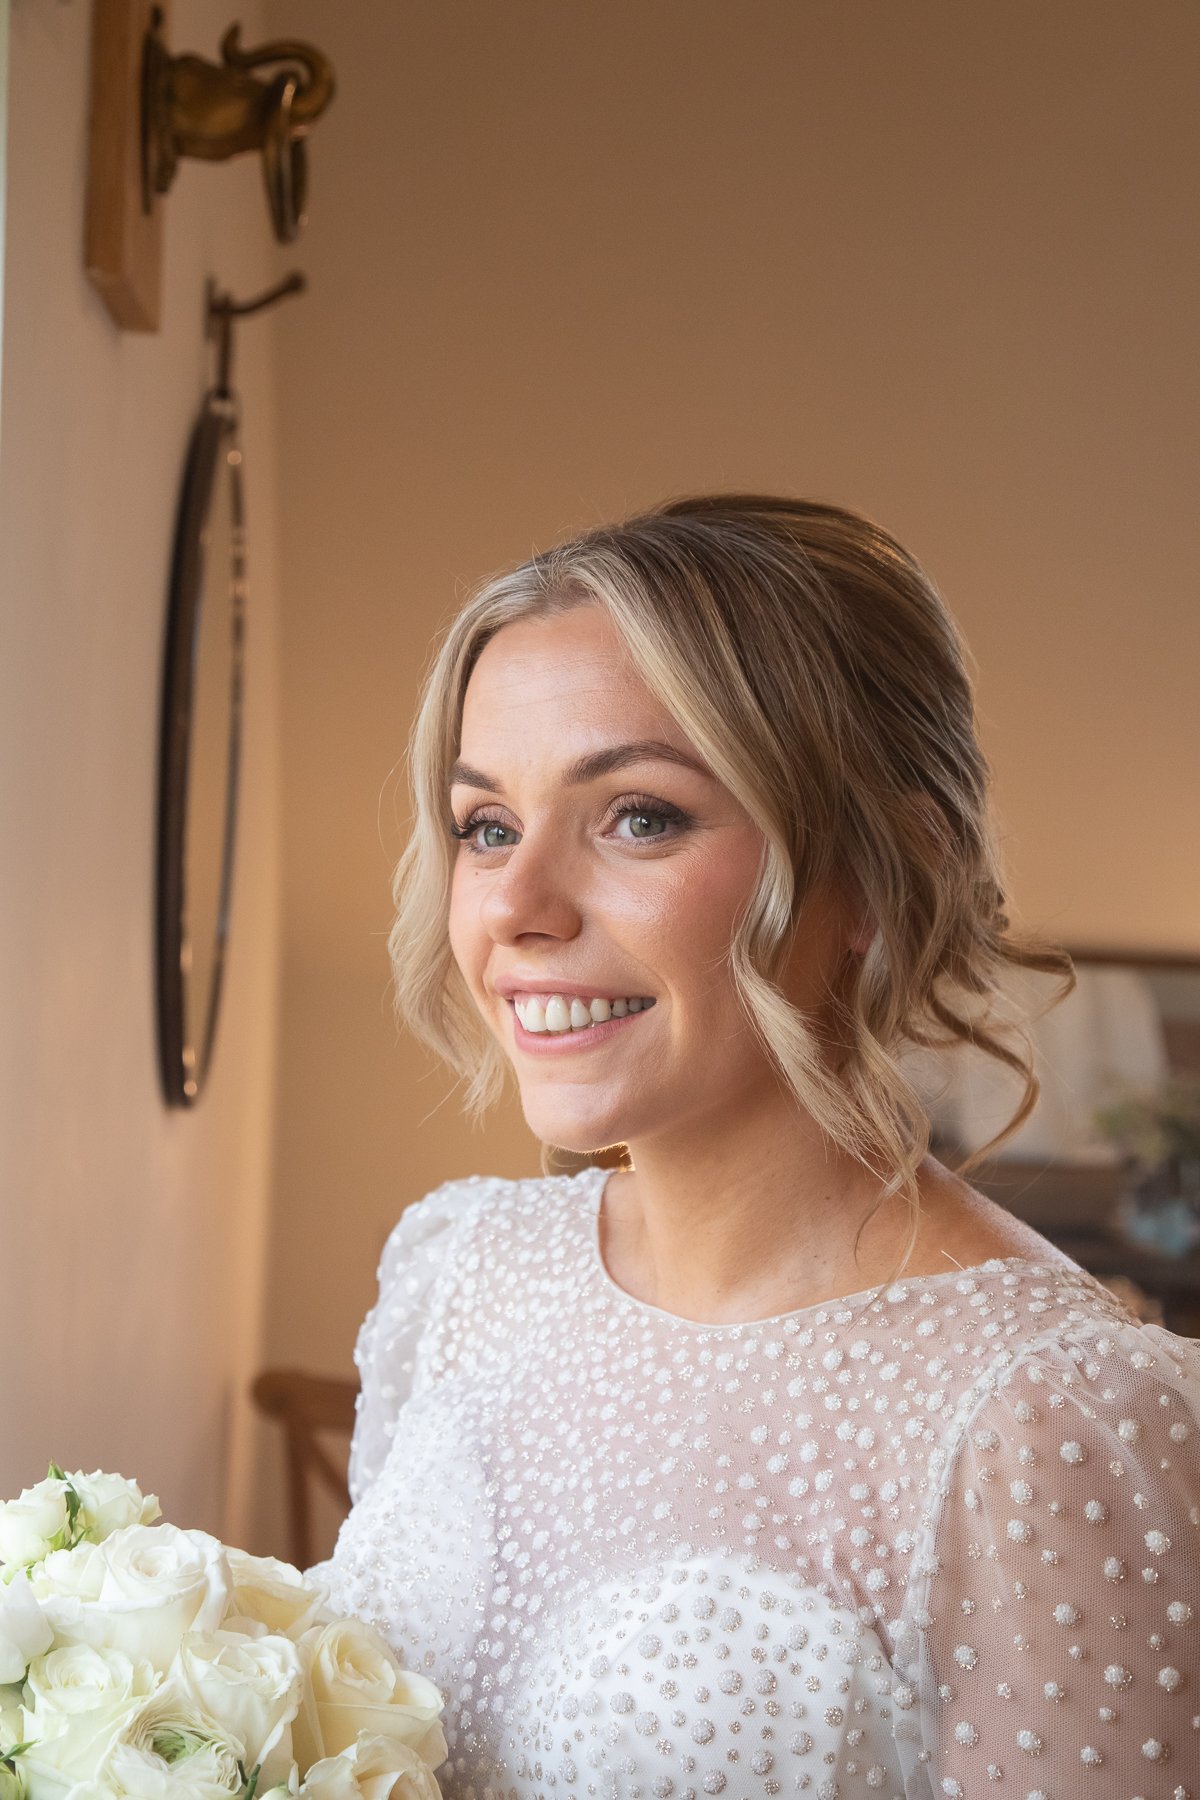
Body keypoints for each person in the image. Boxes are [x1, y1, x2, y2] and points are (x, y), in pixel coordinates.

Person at [310, 496, 1200, 1800]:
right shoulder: (461, 1272)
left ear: (883, 869)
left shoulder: (1051, 1418)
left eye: (639, 817)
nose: (517, 907)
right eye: (487, 826)